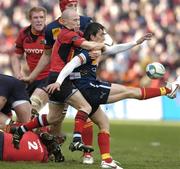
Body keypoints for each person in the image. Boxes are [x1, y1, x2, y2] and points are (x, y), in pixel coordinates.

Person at [10, 10, 156, 169]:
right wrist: (103, 43)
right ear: (64, 22)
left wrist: (134, 43)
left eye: (78, 19)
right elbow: (88, 46)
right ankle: (77, 140)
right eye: (74, 20)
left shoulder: (75, 34)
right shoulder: (66, 34)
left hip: (58, 78)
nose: (78, 22)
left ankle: (22, 129)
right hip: (60, 79)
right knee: (85, 106)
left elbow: (109, 49)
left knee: (52, 118)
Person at [45, 22, 179, 169]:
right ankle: (167, 90)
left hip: (87, 88)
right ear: (92, 36)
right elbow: (70, 65)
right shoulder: (87, 51)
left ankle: (106, 160)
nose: (104, 36)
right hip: (89, 88)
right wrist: (58, 82)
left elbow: (115, 48)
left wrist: (136, 42)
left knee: (103, 122)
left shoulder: (97, 49)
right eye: (102, 34)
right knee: (130, 92)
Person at [21, 0, 95, 164]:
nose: (73, 8)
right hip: (57, 78)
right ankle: (50, 147)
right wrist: (32, 76)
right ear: (62, 9)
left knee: (85, 112)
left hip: (79, 77)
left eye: (75, 5)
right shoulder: (51, 29)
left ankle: (87, 154)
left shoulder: (87, 21)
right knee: (51, 118)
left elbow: (98, 40)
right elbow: (46, 56)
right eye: (70, 5)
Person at [10, 6, 49, 117]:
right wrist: (18, 74)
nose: (39, 20)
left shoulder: (50, 33)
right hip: (32, 79)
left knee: (34, 105)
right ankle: (41, 131)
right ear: (30, 19)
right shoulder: (23, 33)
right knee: (22, 112)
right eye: (35, 17)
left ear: (45, 19)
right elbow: (16, 56)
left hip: (49, 77)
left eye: (41, 17)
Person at [0, 130, 64, 162]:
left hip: (4, 138)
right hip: (2, 155)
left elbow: (14, 129)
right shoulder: (42, 158)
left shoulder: (33, 135)